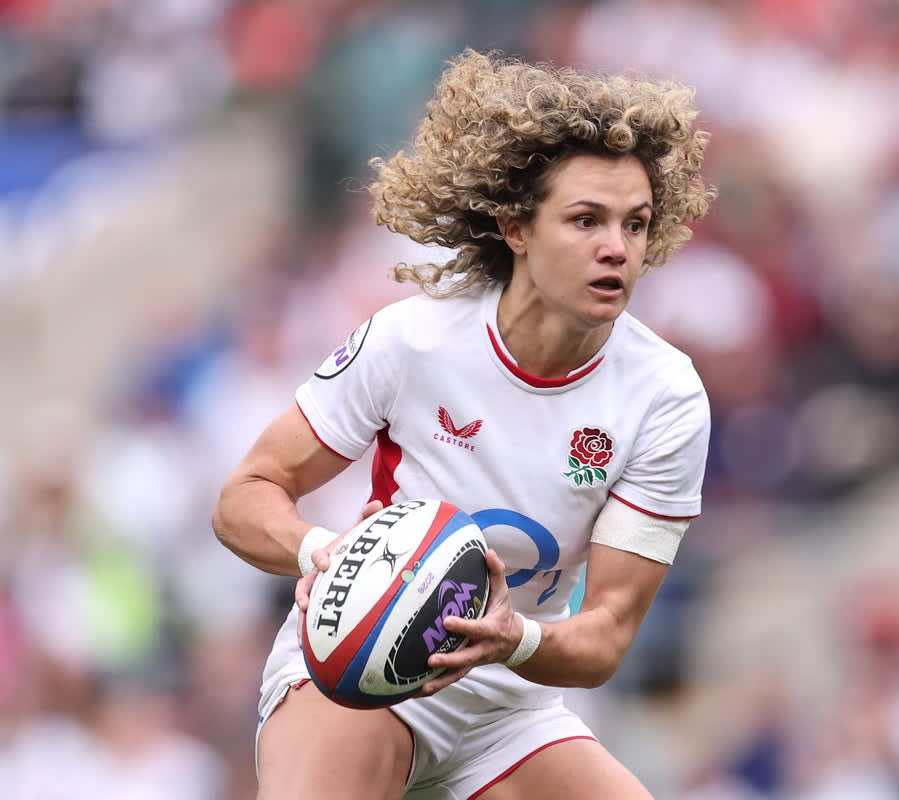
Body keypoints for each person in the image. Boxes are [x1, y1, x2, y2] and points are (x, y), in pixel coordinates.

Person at [211, 48, 715, 800]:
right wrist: (328, 553)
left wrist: (516, 639)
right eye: (586, 220)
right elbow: (245, 496)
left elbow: (607, 633)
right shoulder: (414, 340)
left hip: (510, 705)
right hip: (365, 669)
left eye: (635, 224)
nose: (617, 247)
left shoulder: (666, 397)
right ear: (515, 227)